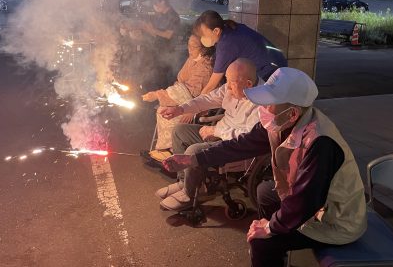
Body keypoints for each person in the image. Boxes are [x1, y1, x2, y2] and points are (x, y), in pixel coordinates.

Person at [162, 67, 367, 267]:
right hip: (313, 205)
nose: (262, 109)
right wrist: (194, 160)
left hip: (334, 221)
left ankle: (270, 247)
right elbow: (240, 146)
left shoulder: (320, 143)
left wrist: (270, 227)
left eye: (269, 103)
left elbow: (306, 201)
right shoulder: (282, 121)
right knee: (265, 192)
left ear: (292, 112)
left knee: (262, 242)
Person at [156, 58, 263, 210]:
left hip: (233, 145)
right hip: (218, 131)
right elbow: (208, 99)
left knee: (193, 151)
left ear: (249, 84)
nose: (227, 87)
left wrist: (216, 131)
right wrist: (180, 109)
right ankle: (183, 181)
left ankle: (190, 193)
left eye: (231, 82)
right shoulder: (233, 87)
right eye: (227, 80)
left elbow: (247, 137)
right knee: (179, 131)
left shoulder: (261, 102)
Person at [142, 35, 213, 161]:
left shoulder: (206, 66)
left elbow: (190, 92)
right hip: (185, 97)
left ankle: (171, 149)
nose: (189, 49)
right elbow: (181, 81)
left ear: (203, 49)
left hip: (198, 103)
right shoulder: (193, 59)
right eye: (189, 45)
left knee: (166, 111)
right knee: (163, 109)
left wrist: (157, 94)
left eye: (193, 46)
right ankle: (165, 149)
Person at [194, 10, 288, 95]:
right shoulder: (229, 27)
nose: (202, 38)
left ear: (216, 31)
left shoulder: (227, 44)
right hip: (279, 64)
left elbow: (212, 85)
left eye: (204, 35)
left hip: (270, 73)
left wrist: (194, 107)